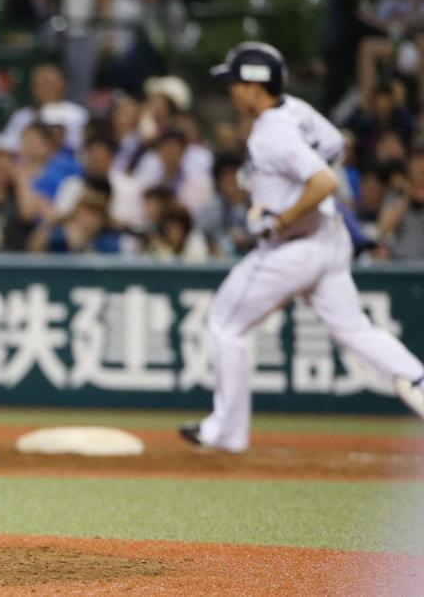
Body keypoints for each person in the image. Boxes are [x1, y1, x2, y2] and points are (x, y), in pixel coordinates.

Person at [180, 42, 424, 452]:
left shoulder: (270, 134)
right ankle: (418, 378)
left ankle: (227, 432)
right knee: (353, 328)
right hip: (329, 239)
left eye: (236, 82)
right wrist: (281, 187)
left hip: (291, 247)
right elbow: (335, 147)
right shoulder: (296, 110)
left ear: (255, 87)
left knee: (225, 323)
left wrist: (281, 216)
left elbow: (324, 181)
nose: (231, 91)